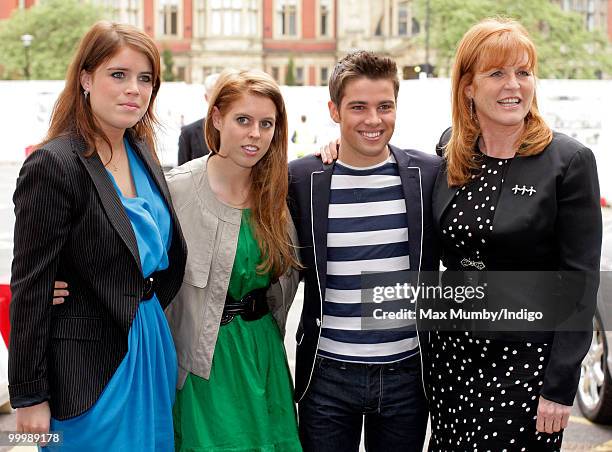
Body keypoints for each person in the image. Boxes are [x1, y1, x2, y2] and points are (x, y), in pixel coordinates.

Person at [8, 21, 187, 450]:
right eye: (118, 75)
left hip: (150, 347)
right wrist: (29, 397)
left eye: (145, 79)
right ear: (86, 78)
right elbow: (30, 288)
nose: (134, 90)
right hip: (87, 373)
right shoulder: (55, 164)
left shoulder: (142, 151)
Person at [428, 18, 601, 450]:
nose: (514, 85)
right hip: (452, 362)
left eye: (523, 72)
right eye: (497, 73)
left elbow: (580, 283)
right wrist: (333, 150)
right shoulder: (452, 149)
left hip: (526, 368)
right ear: (468, 87)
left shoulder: (569, 161)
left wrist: (561, 385)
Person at [288, 51, 440, 452]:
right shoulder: (303, 179)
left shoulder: (427, 174)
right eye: (358, 107)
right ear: (334, 111)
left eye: (384, 107)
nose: (374, 120)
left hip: (407, 372)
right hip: (327, 375)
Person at [165, 69, 302, 451]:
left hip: (263, 356)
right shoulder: (177, 190)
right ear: (217, 118)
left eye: (266, 123)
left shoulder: (276, 193)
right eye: (243, 120)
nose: (255, 134)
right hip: (203, 361)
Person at [177, 73, 219, 165]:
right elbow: (181, 174)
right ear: (206, 97)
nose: (219, 101)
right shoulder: (188, 133)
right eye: (215, 96)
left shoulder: (238, 131)